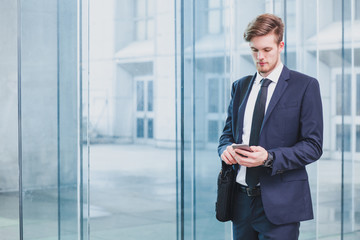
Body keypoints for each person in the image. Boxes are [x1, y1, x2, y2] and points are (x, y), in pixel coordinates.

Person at [218, 13, 323, 240]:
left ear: (281, 45)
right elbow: (227, 134)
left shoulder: (305, 86)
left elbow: (313, 146)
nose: (260, 57)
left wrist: (269, 157)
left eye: (267, 50)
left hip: (281, 204)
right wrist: (225, 149)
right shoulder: (240, 87)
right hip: (241, 202)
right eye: (255, 50)